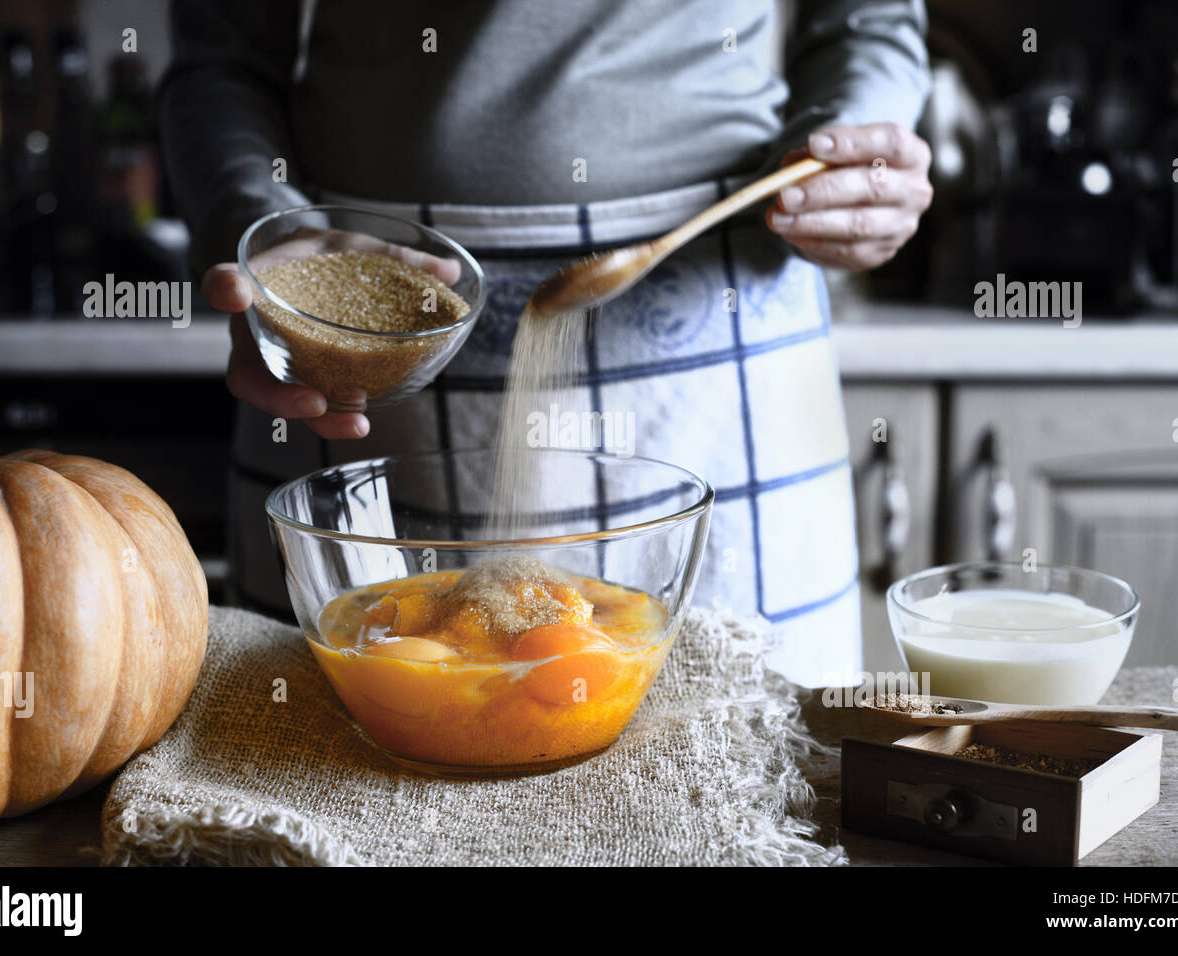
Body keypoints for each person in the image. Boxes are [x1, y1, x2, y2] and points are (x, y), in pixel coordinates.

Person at [159, 0, 934, 687]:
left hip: (720, 297)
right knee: (328, 773)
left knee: (747, 766)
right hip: (370, 307)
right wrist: (259, 229)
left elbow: (872, 18)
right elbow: (221, 57)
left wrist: (851, 150)